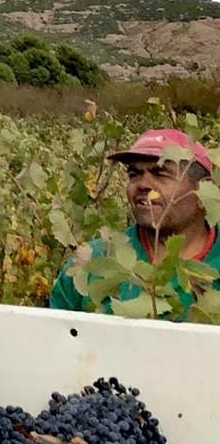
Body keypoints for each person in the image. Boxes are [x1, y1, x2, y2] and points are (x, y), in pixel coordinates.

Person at [50, 128, 220, 318]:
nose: (143, 184)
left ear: (204, 192)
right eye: (134, 174)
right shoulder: (93, 261)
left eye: (161, 173)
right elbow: (54, 338)